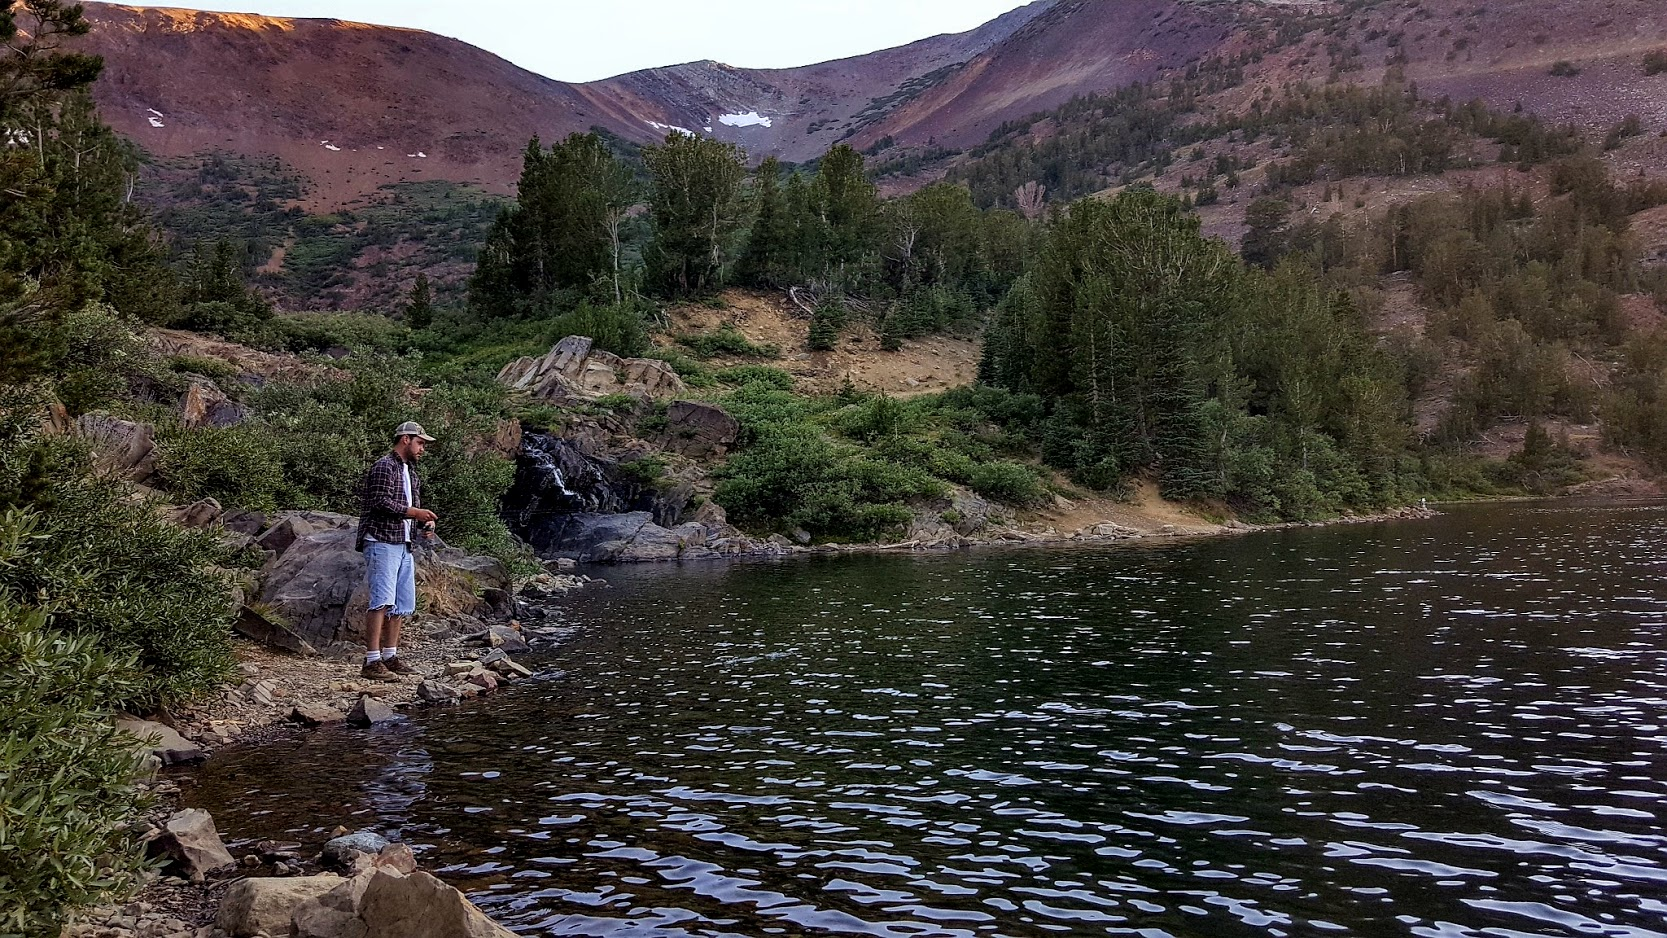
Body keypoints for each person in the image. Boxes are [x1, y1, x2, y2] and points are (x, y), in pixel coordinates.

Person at [354, 421, 439, 681]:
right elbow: (380, 502)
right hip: (381, 540)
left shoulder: (411, 472)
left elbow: (410, 507)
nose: (422, 449)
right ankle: (372, 661)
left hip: (403, 542)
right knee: (381, 601)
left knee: (401, 603)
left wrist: (424, 523)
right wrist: (415, 513)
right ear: (405, 439)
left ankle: (390, 656)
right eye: (420, 443)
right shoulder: (384, 466)